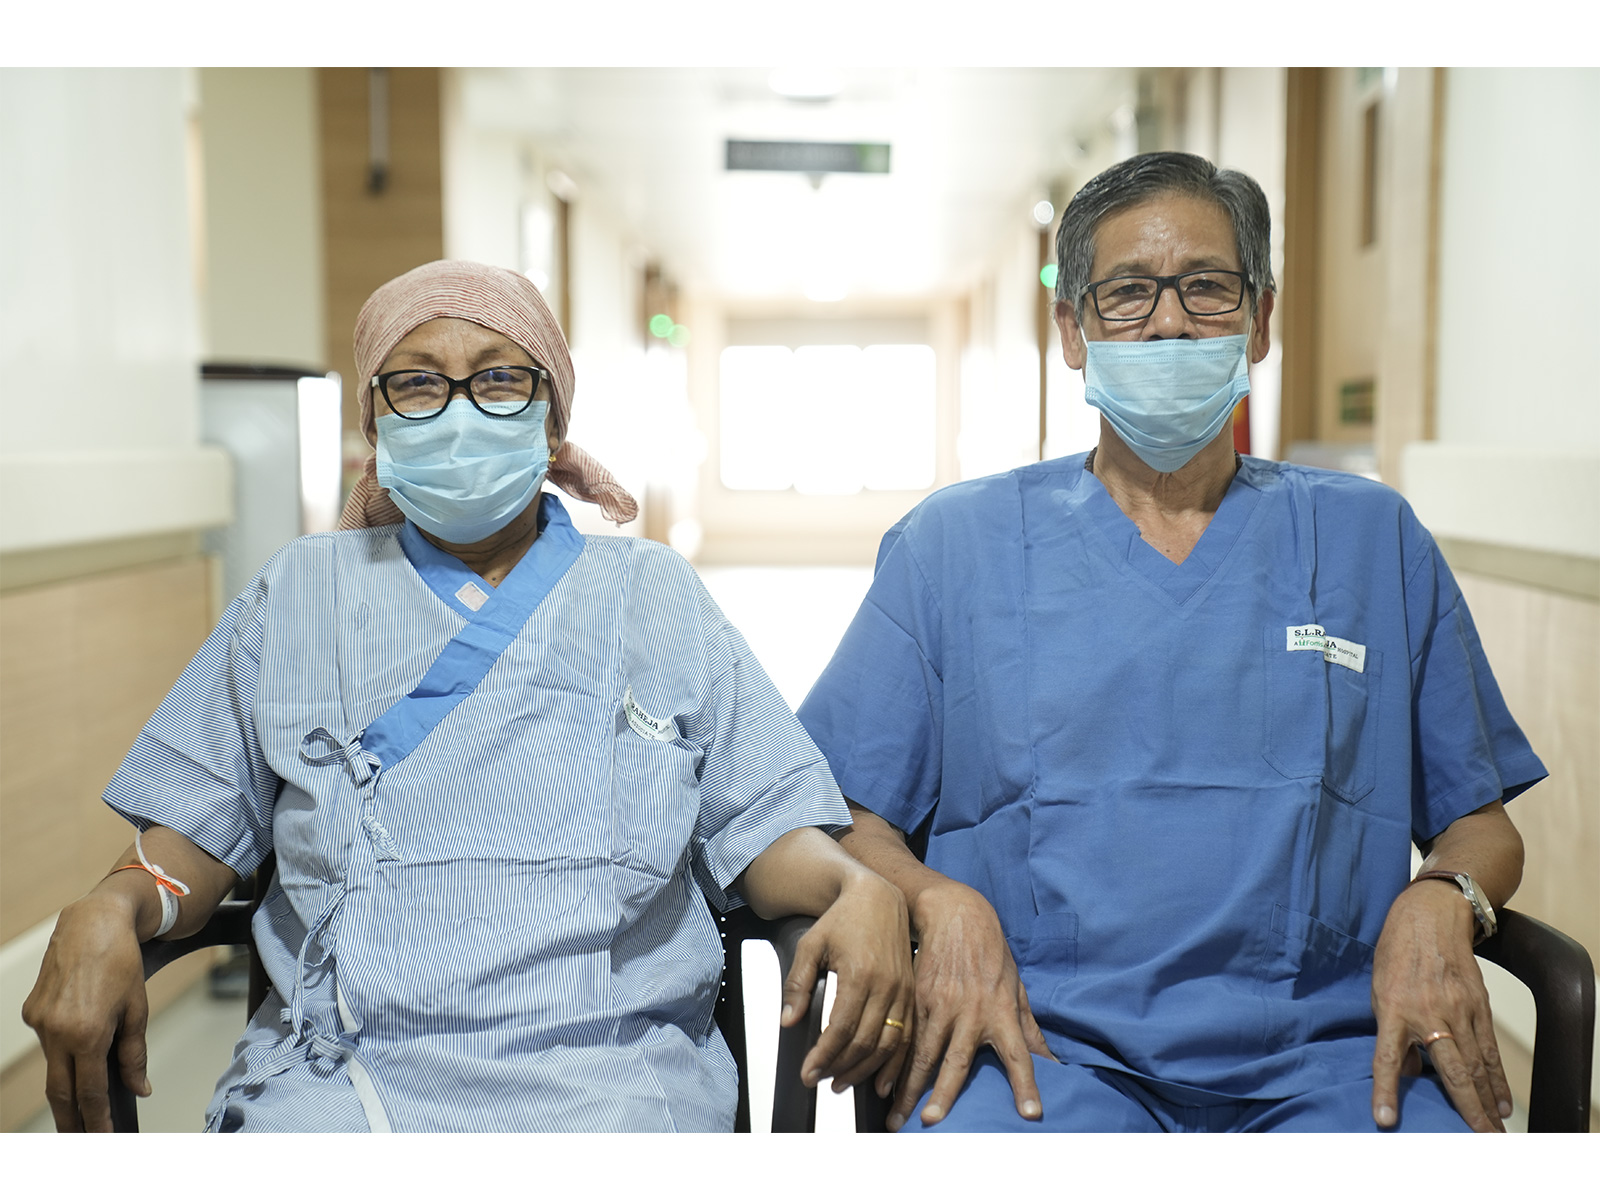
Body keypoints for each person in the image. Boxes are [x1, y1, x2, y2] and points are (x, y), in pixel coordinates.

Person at [24, 260, 913, 1133]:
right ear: (374, 421)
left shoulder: (653, 595)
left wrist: (851, 884)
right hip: (346, 1090)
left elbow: (766, 825)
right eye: (416, 384)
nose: (457, 412)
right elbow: (189, 833)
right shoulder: (298, 596)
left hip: (612, 1089)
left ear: (553, 420)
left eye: (498, 379)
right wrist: (112, 905)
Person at [796, 152, 1544, 1133]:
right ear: (1071, 329)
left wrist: (1444, 897)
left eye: (1205, 287)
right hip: (1033, 1047)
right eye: (1126, 294)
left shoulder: (1371, 540)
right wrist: (939, 901)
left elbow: (1478, 822)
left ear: (1260, 320)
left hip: (1330, 1057)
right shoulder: (956, 546)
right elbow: (842, 814)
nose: (1168, 320)